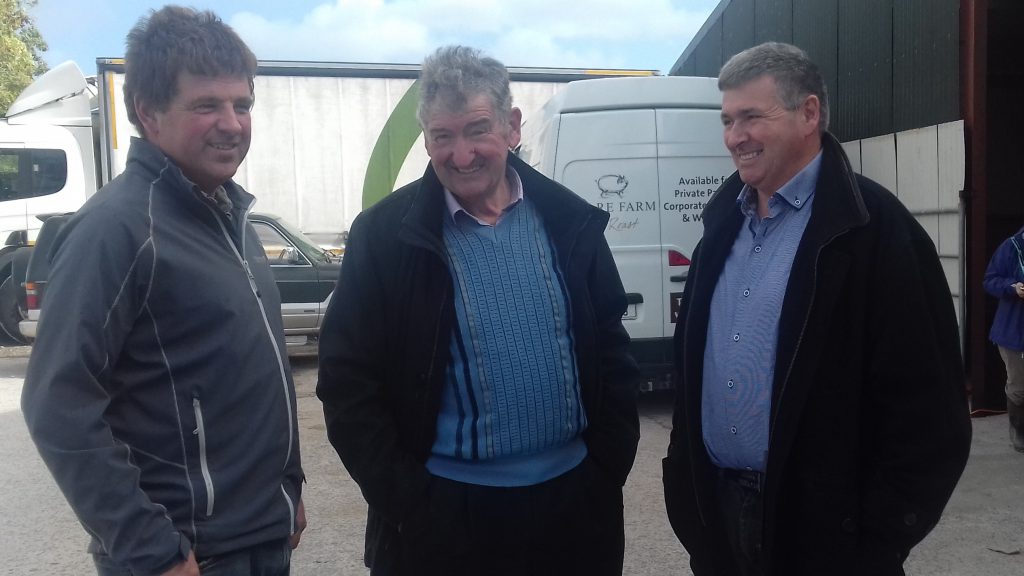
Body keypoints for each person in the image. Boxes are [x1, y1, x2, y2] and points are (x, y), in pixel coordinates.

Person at [316, 45, 640, 576]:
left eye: (476, 130)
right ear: (426, 139)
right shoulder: (384, 238)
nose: (460, 154)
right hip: (448, 518)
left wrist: (606, 468)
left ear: (512, 127)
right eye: (442, 136)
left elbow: (611, 347)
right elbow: (348, 384)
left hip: (574, 509)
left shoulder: (568, 221)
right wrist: (412, 507)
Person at [662, 42, 972, 576]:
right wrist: (686, 494)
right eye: (728, 120)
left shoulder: (874, 230)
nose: (735, 137)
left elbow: (932, 414)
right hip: (719, 516)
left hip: (828, 536)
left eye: (752, 117)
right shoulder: (721, 226)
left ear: (809, 113)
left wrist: (876, 538)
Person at [21, 6, 305, 576]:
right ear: (148, 113)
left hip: (259, 537)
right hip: (186, 554)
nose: (232, 122)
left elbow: (262, 373)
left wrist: (288, 487)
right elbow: (57, 403)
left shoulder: (230, 217)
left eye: (242, 104)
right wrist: (149, 547)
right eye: (207, 105)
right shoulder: (118, 228)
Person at [983, 226, 1024, 452]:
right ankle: (1019, 430)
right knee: (1019, 386)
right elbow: (990, 280)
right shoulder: (1011, 247)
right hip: (1014, 332)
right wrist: (1012, 287)